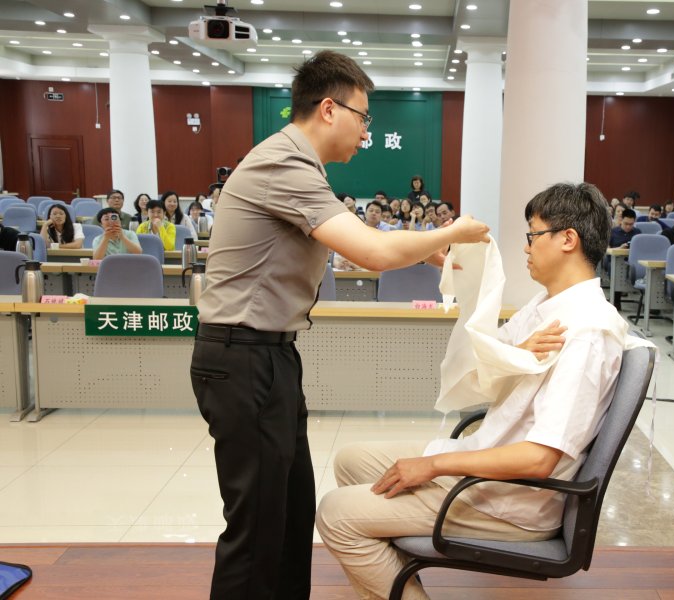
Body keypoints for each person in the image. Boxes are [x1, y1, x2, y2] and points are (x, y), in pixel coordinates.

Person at [190, 50, 489, 600]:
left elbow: (367, 238)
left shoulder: (301, 167)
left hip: (268, 355)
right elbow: (371, 252)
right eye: (363, 116)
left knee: (289, 511)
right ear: (329, 109)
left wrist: (434, 253)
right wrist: (453, 232)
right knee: (257, 528)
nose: (366, 131)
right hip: (242, 356)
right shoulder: (283, 163)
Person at [316, 182, 627, 600]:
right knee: (351, 461)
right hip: (493, 464)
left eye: (533, 235)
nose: (526, 247)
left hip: (512, 500)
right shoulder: (549, 305)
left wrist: (433, 465)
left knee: (335, 514)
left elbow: (539, 459)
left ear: (568, 239)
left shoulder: (587, 331)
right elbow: (491, 356)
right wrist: (467, 278)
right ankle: (396, 576)